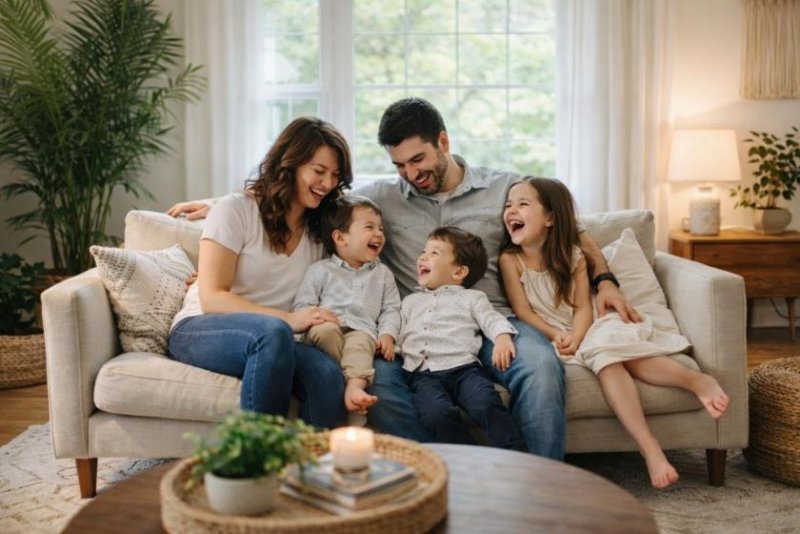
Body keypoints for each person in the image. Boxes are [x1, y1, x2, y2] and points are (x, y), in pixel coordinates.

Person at [167, 98, 639, 460]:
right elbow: (306, 200)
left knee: (539, 368)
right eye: (399, 165)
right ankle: (440, 480)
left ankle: (539, 489)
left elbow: (573, 227)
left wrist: (605, 280)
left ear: (444, 142)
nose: (411, 174)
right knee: (382, 387)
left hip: (493, 319)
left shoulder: (503, 188)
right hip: (410, 329)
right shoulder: (383, 199)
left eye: (418, 160)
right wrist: (218, 205)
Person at [499, 176, 730, 488]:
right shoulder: (510, 260)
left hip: (591, 322)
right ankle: (651, 448)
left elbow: (583, 306)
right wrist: (556, 335)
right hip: (553, 331)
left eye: (523, 204)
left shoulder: (574, 255)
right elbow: (523, 311)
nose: (511, 210)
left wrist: (578, 337)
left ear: (551, 217)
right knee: (609, 359)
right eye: (508, 205)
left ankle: (696, 381)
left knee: (610, 350)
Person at [167, 117, 353, 429]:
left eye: (335, 175)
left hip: (273, 340)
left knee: (325, 373)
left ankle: (316, 473)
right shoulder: (236, 210)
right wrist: (289, 320)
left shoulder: (321, 230)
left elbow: (365, 212)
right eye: (319, 171)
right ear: (289, 164)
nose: (328, 183)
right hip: (200, 328)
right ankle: (260, 466)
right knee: (273, 332)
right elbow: (212, 298)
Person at [401, 227, 526, 451]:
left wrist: (502, 338)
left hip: (463, 369)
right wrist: (388, 341)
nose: (423, 257)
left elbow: (491, 319)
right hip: (422, 373)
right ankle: (471, 460)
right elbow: (398, 330)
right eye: (423, 251)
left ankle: (517, 456)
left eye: (434, 253)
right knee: (436, 415)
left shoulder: (472, 298)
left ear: (458, 273)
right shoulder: (410, 301)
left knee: (485, 403)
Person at [293, 195, 401, 415]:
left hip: (362, 329)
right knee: (326, 332)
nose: (379, 234)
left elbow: (391, 309)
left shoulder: (383, 274)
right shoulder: (320, 270)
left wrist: (388, 334)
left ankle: (353, 387)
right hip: (326, 326)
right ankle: (338, 377)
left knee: (361, 344)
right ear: (340, 238)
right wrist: (316, 316)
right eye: (369, 227)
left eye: (381, 228)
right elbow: (303, 303)